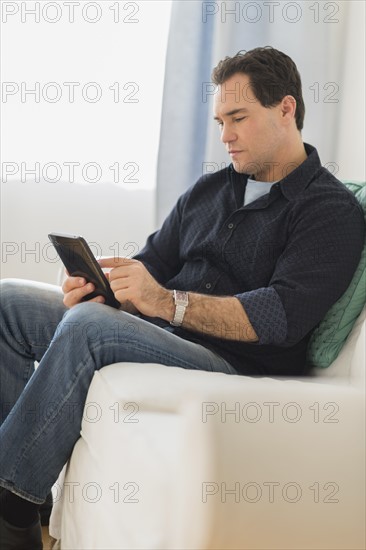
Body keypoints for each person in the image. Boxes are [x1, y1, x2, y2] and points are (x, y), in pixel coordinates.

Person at [0, 46, 364, 549]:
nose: (225, 136)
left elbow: (281, 317)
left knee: (87, 331)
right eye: (220, 120)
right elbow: (152, 265)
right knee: (10, 304)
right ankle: (29, 491)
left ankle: (9, 504)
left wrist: (167, 303)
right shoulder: (210, 190)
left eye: (238, 118)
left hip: (237, 361)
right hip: (165, 334)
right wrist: (109, 292)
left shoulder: (330, 211)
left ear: (286, 109)